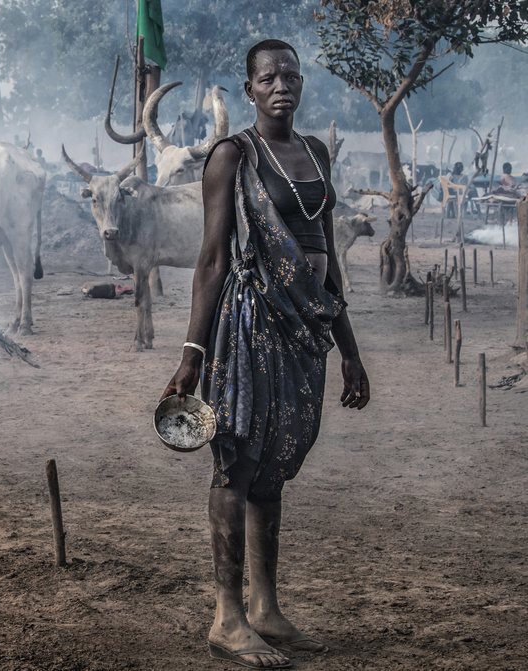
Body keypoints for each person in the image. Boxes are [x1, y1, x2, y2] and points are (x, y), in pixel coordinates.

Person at [162, 39, 370, 669]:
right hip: (249, 327)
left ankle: (266, 609)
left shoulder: (317, 154)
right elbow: (212, 259)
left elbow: (328, 260)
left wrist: (350, 351)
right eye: (268, 78)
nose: (281, 86)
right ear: (249, 87)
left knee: (273, 467)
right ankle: (227, 618)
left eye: (291, 76)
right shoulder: (233, 155)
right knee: (237, 460)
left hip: (304, 332)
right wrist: (192, 354)